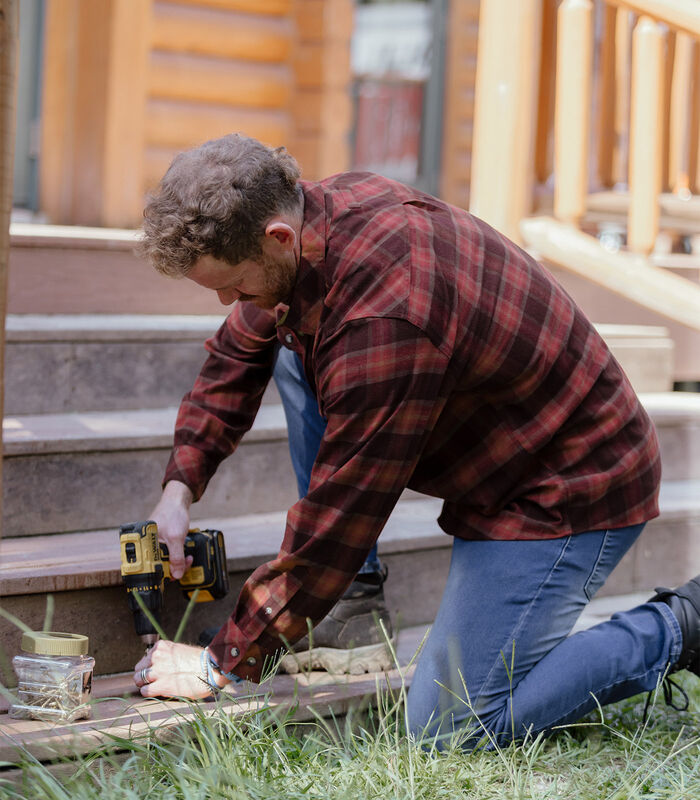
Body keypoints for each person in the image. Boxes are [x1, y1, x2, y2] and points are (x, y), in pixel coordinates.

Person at [133, 133, 699, 749]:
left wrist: (219, 663)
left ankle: (681, 624)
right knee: (289, 342)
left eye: (235, 285)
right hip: (500, 453)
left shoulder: (383, 319)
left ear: (277, 236)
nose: (227, 302)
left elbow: (342, 515)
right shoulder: (314, 221)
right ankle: (354, 604)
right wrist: (178, 489)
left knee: (449, 727)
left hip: (565, 484)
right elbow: (236, 357)